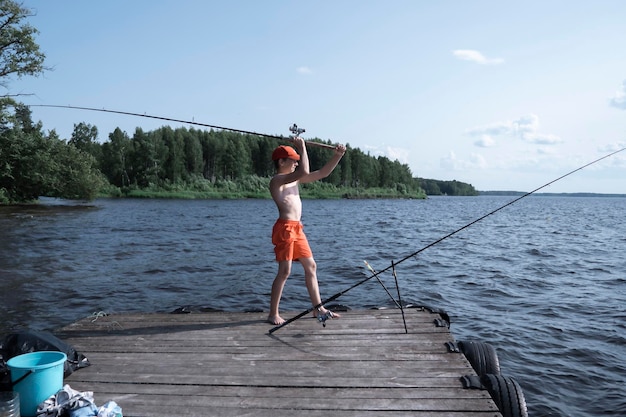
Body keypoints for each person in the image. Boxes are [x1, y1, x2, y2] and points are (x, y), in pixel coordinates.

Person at [268, 137, 346, 325]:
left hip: (297, 228)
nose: (296, 163)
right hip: (285, 228)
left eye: (297, 159)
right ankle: (273, 314)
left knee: (311, 266)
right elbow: (305, 169)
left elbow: (322, 173)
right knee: (285, 271)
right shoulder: (277, 181)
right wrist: (302, 147)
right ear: (281, 162)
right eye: (292, 159)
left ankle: (318, 308)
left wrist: (337, 156)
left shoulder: (295, 180)